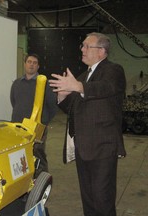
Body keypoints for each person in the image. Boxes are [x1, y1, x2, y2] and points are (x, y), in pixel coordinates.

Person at [49, 32, 126, 216]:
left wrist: (78, 86)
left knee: (102, 200)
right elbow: (74, 108)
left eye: (86, 46)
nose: (82, 49)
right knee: (89, 200)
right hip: (83, 147)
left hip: (102, 148)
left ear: (101, 51)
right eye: (82, 46)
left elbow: (106, 88)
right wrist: (63, 96)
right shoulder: (85, 75)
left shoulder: (113, 70)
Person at [10, 53, 57, 178]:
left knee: (38, 153)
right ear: (25, 64)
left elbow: (53, 105)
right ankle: (24, 180)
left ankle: (42, 182)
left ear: (38, 67)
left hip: (37, 127)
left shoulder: (44, 84)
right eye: (29, 62)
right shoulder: (16, 83)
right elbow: (14, 102)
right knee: (20, 154)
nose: (31, 64)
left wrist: (44, 121)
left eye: (35, 63)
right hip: (18, 126)